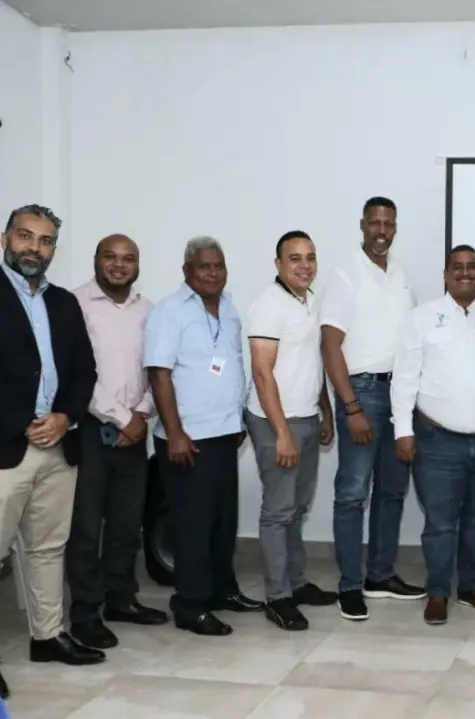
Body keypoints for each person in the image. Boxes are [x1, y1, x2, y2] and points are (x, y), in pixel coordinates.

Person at [0, 205, 103, 698]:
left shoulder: (63, 303)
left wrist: (65, 417)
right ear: (5, 238)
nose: (33, 248)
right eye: (25, 236)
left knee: (47, 548)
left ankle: (47, 637)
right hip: (6, 448)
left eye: (44, 241)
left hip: (59, 445)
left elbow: (85, 370)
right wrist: (22, 423)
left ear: (54, 250)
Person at [145, 236, 264, 637]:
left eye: (218, 265)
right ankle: (190, 605)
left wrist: (238, 419)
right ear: (187, 271)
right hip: (187, 439)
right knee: (192, 526)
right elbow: (159, 373)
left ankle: (222, 590)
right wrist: (175, 432)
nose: (213, 273)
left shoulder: (229, 309)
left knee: (222, 522)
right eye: (204, 266)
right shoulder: (168, 311)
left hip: (224, 433)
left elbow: (230, 366)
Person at [320, 196, 423, 622]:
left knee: (392, 491)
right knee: (352, 493)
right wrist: (351, 407)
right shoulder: (346, 273)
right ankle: (350, 585)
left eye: (389, 224)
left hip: (399, 394)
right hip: (362, 393)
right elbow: (330, 345)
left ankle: (380, 576)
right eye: (375, 223)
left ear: (395, 228)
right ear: (362, 225)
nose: (382, 231)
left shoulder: (401, 275)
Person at [392, 245, 475, 626]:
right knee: (440, 523)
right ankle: (438, 591)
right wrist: (403, 431)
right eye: (458, 266)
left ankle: (471, 587)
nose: (465, 272)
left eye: (472, 266)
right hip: (437, 441)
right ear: (445, 274)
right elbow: (404, 377)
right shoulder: (421, 318)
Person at [67, 234, 168, 651]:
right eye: (110, 257)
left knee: (128, 523)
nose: (119, 265)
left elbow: (157, 369)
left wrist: (141, 415)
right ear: (96, 260)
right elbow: (78, 373)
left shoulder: (149, 310)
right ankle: (85, 614)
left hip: (135, 431)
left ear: (138, 264)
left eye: (128, 258)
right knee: (87, 529)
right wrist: (123, 418)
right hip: (92, 431)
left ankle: (122, 599)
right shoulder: (74, 304)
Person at [245, 231, 337, 631]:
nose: (304, 265)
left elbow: (312, 362)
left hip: (306, 416)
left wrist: (325, 411)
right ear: (278, 264)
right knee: (278, 512)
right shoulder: (268, 305)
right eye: (295, 258)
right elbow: (262, 374)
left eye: (310, 257)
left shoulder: (310, 300)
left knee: (298, 508)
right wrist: (281, 433)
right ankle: (278, 597)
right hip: (275, 421)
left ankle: (296, 584)